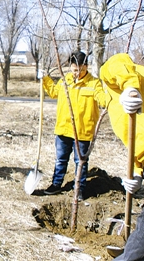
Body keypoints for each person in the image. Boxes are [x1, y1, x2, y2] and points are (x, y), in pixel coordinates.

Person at [100, 53, 144, 260]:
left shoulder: (115, 78)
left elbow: (117, 61)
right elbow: (140, 135)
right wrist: (137, 172)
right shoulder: (114, 106)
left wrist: (129, 88)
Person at [40, 51, 105, 201]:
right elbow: (53, 93)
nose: (78, 73)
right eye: (75, 69)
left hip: (83, 131)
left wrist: (110, 100)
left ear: (86, 67)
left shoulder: (94, 83)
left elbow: (102, 98)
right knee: (60, 159)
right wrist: (45, 79)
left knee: (80, 161)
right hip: (63, 128)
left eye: (82, 70)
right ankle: (56, 185)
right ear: (70, 67)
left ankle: (79, 189)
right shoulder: (65, 81)